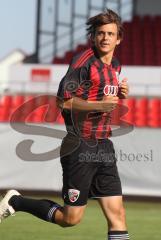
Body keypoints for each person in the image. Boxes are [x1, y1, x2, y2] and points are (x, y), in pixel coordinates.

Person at [0, 9, 129, 240]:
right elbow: (63, 102)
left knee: (117, 215)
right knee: (70, 219)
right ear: (94, 36)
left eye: (110, 33)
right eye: (101, 33)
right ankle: (16, 201)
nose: (105, 38)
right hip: (79, 145)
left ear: (119, 38)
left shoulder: (116, 66)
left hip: (104, 146)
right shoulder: (82, 62)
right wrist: (98, 105)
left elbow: (104, 95)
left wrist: (121, 93)